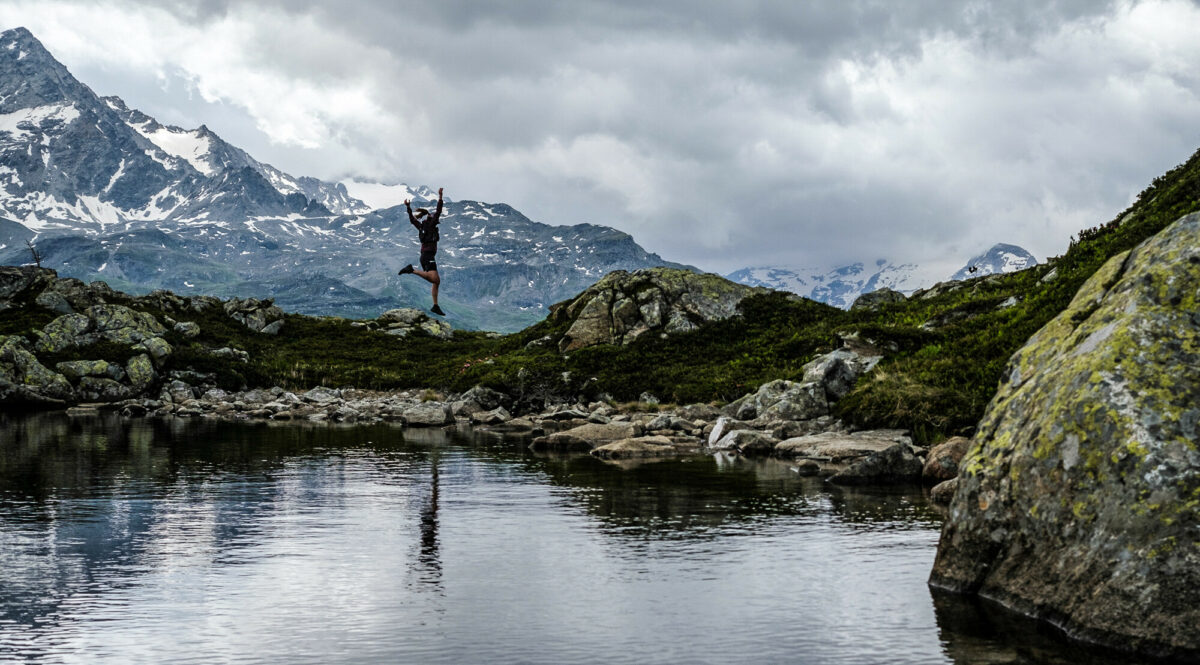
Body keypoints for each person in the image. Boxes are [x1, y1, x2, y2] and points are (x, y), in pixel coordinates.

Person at [398, 187, 445, 316]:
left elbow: (412, 220)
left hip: (425, 255)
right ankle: (411, 270)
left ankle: (435, 306)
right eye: (435, 219)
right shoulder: (431, 224)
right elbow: (439, 211)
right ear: (432, 219)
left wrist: (408, 208)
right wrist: (440, 197)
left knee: (436, 281)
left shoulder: (422, 226)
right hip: (428, 255)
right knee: (435, 279)